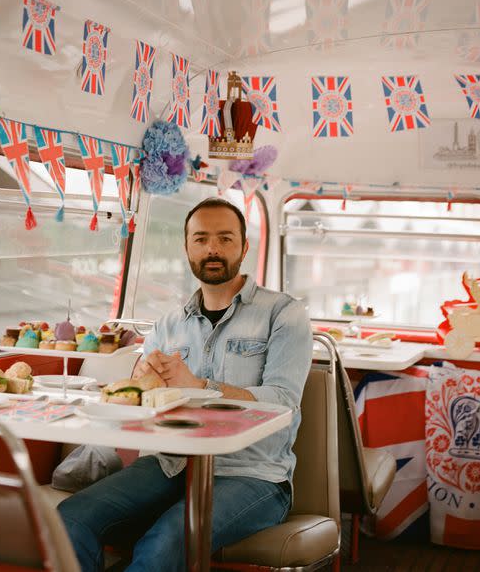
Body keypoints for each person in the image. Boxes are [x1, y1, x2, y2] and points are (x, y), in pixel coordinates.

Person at [57, 197, 313, 571]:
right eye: (201, 238)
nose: (212, 248)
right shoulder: (167, 324)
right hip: (168, 463)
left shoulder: (284, 313)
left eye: (225, 239)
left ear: (244, 247)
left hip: (252, 475)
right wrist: (140, 388)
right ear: (187, 248)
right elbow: (144, 410)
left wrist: (200, 385)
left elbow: (283, 401)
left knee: (164, 543)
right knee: (69, 519)